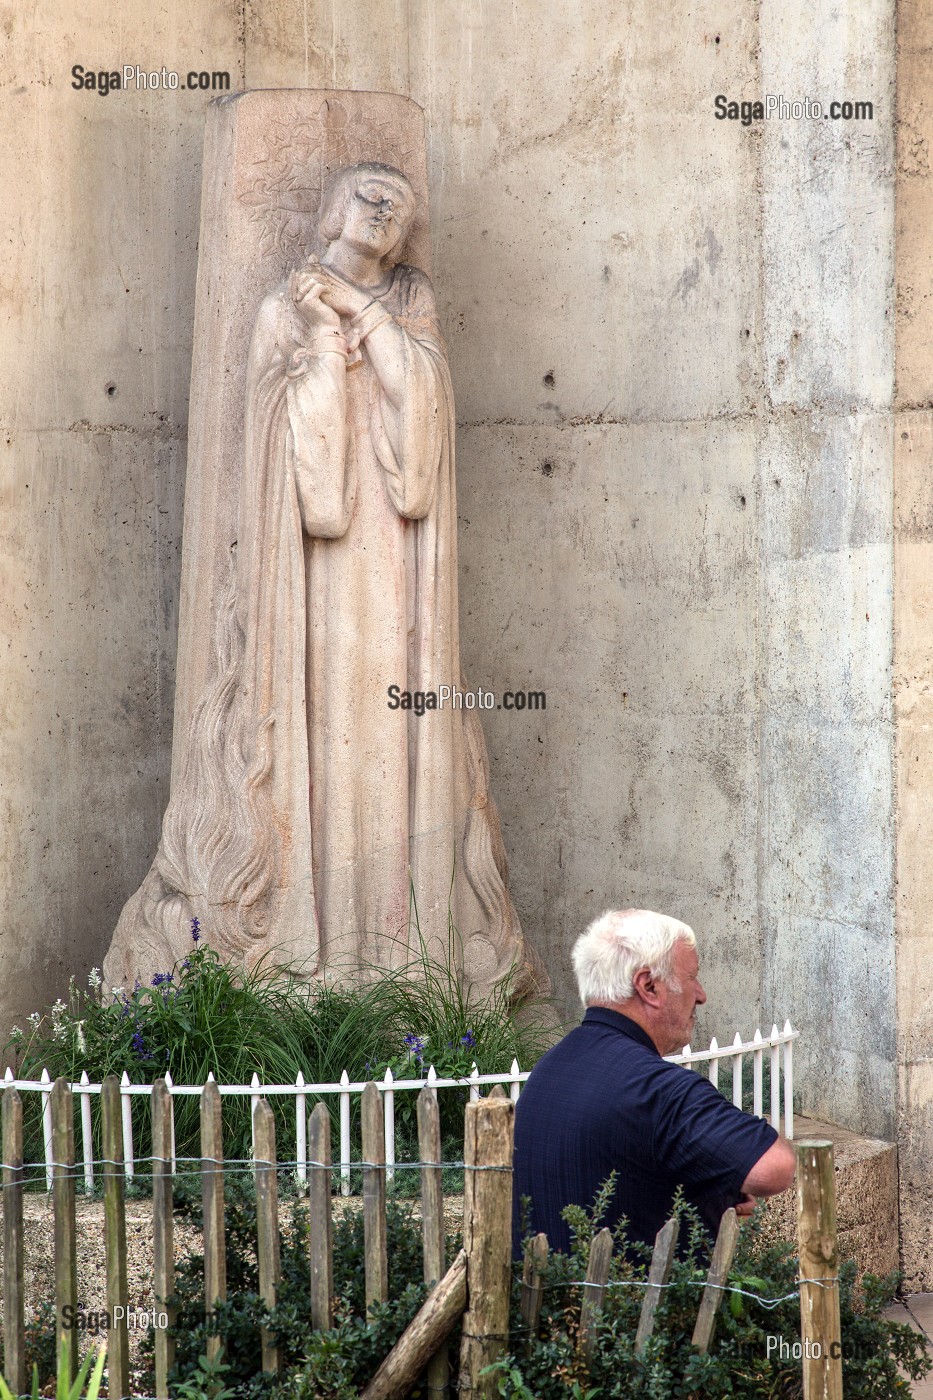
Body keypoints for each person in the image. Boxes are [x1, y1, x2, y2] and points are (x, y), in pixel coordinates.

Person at [104, 162, 546, 1001]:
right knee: (322, 732)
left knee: (394, 734)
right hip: (312, 579)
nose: (380, 210)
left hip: (401, 570)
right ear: (331, 210)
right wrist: (318, 347)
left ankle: (399, 953)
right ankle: (310, 939)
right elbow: (283, 451)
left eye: (396, 202)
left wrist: (364, 319)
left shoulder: (409, 307)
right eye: (365, 195)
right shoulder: (282, 306)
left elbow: (425, 424)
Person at [512, 909, 796, 1256]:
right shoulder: (657, 1089)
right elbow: (775, 1167)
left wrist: (709, 1187)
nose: (702, 995)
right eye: (692, 977)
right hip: (634, 1308)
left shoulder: (549, 1072)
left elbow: (620, 1175)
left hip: (543, 1303)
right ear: (648, 986)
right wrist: (718, 1184)